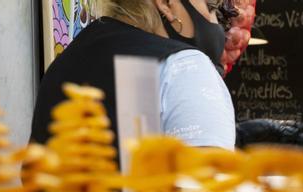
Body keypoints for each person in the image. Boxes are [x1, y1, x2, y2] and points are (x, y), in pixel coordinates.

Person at [31, 0, 236, 149]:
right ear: (166, 4)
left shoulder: (64, 63)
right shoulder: (185, 67)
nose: (214, 21)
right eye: (211, 7)